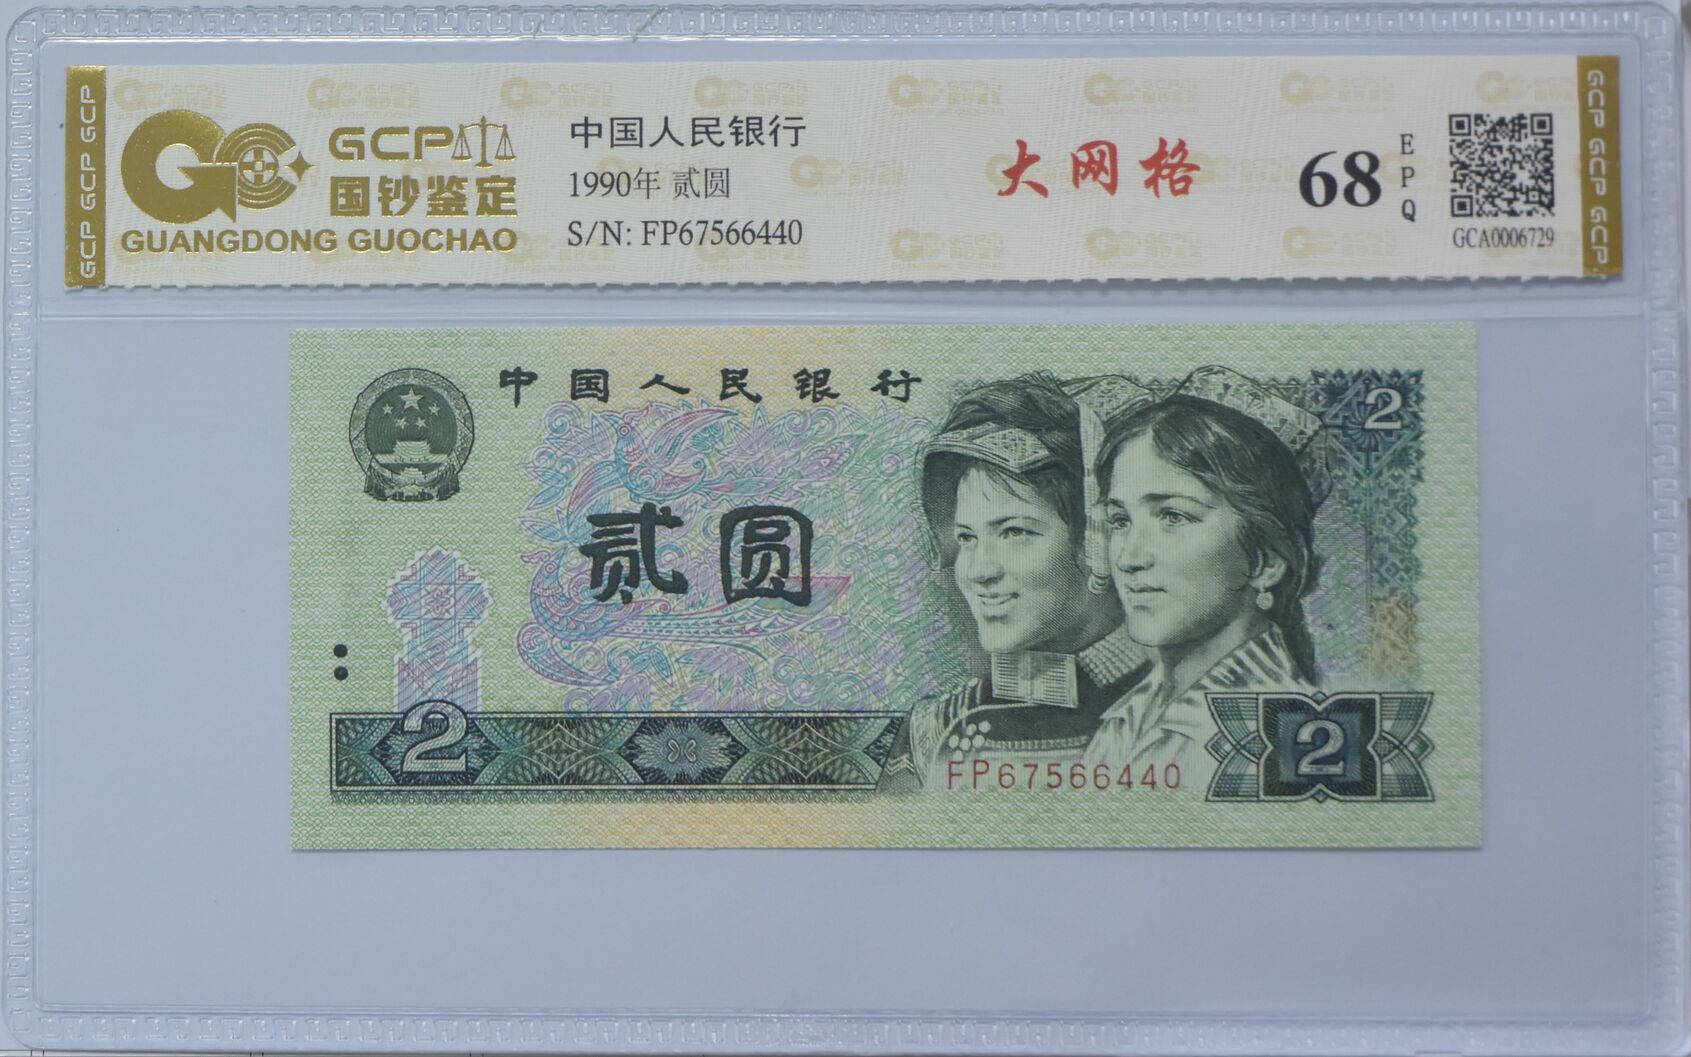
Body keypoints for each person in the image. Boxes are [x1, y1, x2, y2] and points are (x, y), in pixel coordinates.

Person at [878, 373, 1151, 791]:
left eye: (1013, 532)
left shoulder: (1189, 707)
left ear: (1099, 538)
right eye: (967, 538)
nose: (978, 570)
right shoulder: (934, 731)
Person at [1081, 365, 1330, 793]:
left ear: (1266, 561)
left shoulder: (1280, 735)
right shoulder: (1128, 716)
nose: (1129, 558)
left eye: (1173, 517)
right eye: (1120, 521)